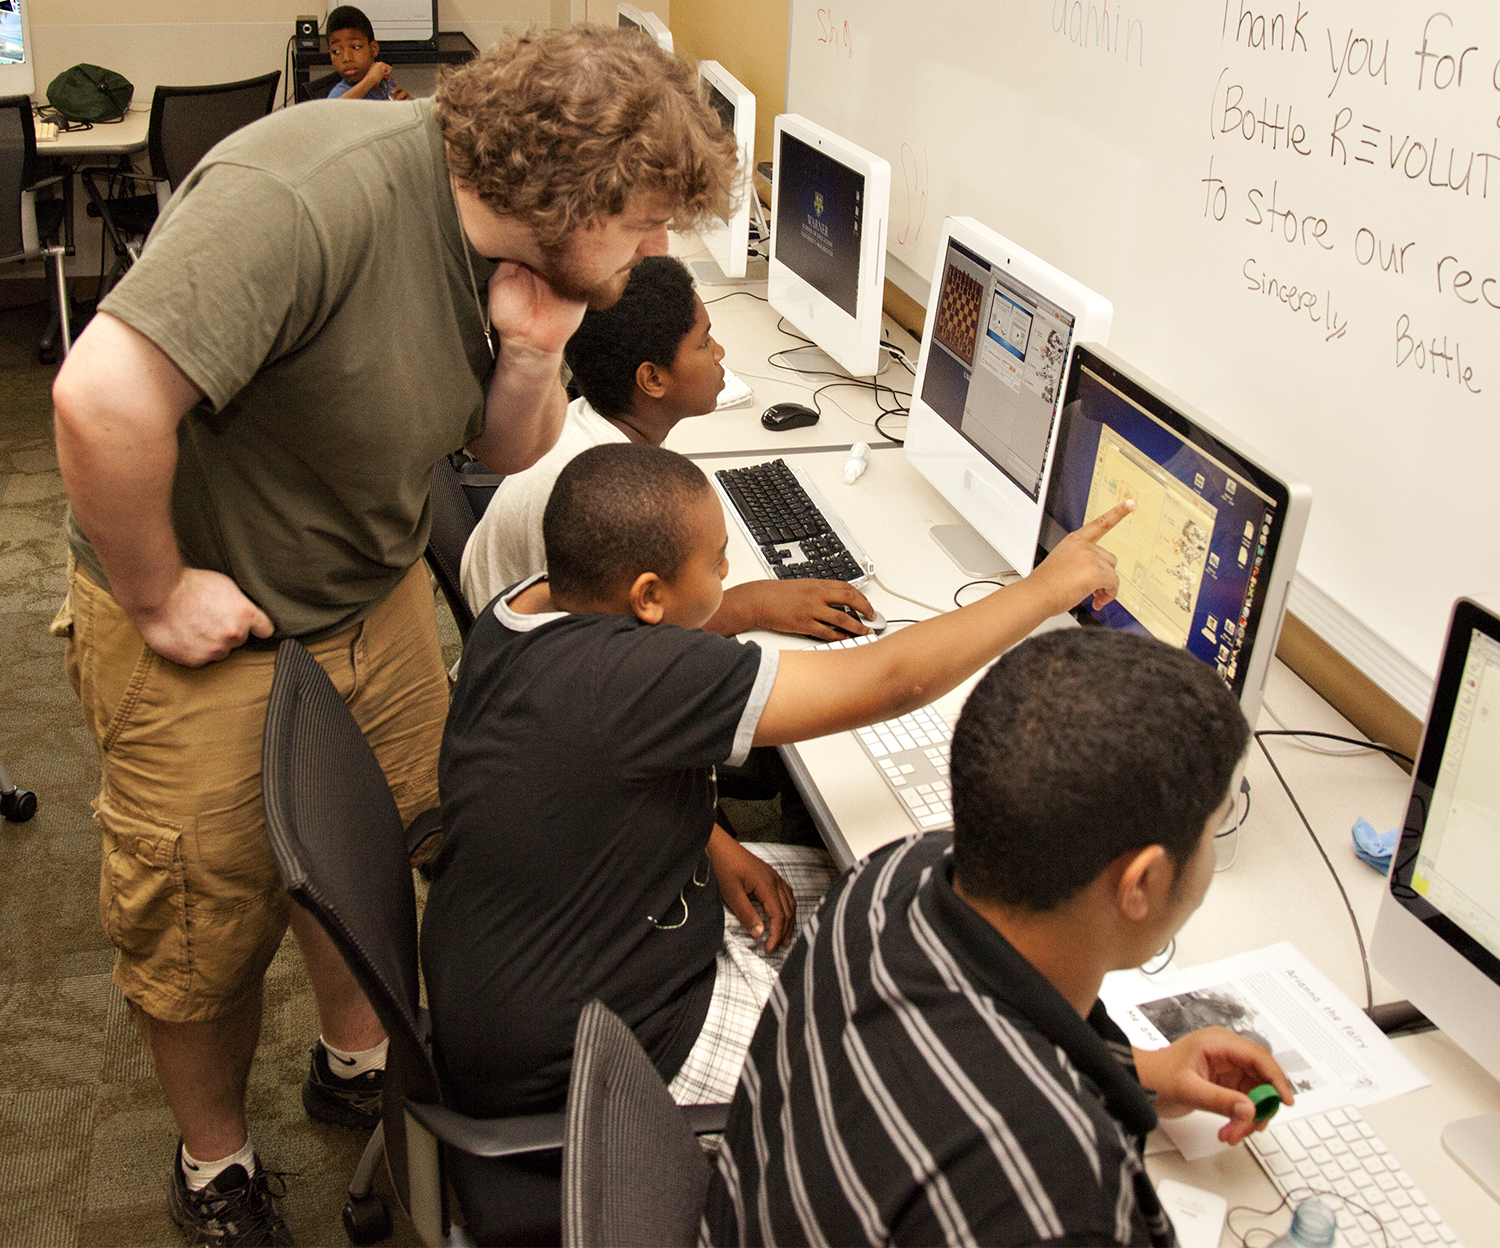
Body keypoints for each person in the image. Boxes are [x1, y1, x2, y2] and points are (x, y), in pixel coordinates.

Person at [50, 25, 740, 1247]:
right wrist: (159, 593)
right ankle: (214, 1166)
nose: (654, 253)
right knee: (202, 927)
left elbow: (499, 451)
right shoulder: (304, 201)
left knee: (393, 845)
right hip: (203, 622)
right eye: (642, 221)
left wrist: (531, 352)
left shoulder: (524, 258)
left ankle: (352, 1058)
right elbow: (98, 400)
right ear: (568, 188)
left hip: (366, 595)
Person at [419, 444, 1127, 1157]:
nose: (729, 575)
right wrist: (1047, 586)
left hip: (538, 958)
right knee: (924, 1092)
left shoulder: (529, 608)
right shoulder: (635, 678)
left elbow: (579, 773)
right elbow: (893, 681)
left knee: (904, 887)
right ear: (648, 597)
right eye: (718, 561)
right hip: (599, 1051)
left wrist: (712, 841)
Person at [700, 627, 1294, 1248]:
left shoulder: (893, 874)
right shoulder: (1052, 1200)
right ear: (1140, 882)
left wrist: (1144, 1073)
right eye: (1213, 829)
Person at [459, 253, 877, 642]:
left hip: (512, 638)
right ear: (652, 380)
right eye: (703, 342)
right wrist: (753, 605)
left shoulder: (591, 420)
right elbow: (633, 642)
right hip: (536, 667)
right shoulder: (608, 493)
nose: (719, 353)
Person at [324, 4, 412, 100]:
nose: (346, 58)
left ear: (373, 49)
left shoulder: (385, 85)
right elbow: (332, 111)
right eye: (336, 51)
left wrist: (408, 107)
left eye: (355, 47)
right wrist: (370, 80)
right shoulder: (340, 93)